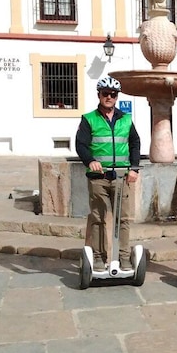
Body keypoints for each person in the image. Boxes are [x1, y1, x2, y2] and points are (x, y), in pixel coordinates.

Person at [75, 77, 141, 271]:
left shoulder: (126, 119)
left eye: (113, 94)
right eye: (105, 93)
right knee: (99, 218)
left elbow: (135, 143)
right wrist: (91, 161)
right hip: (99, 178)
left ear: (117, 97)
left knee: (125, 219)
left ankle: (124, 257)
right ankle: (97, 256)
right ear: (99, 95)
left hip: (122, 177)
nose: (109, 97)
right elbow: (81, 144)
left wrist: (134, 168)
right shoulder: (89, 119)